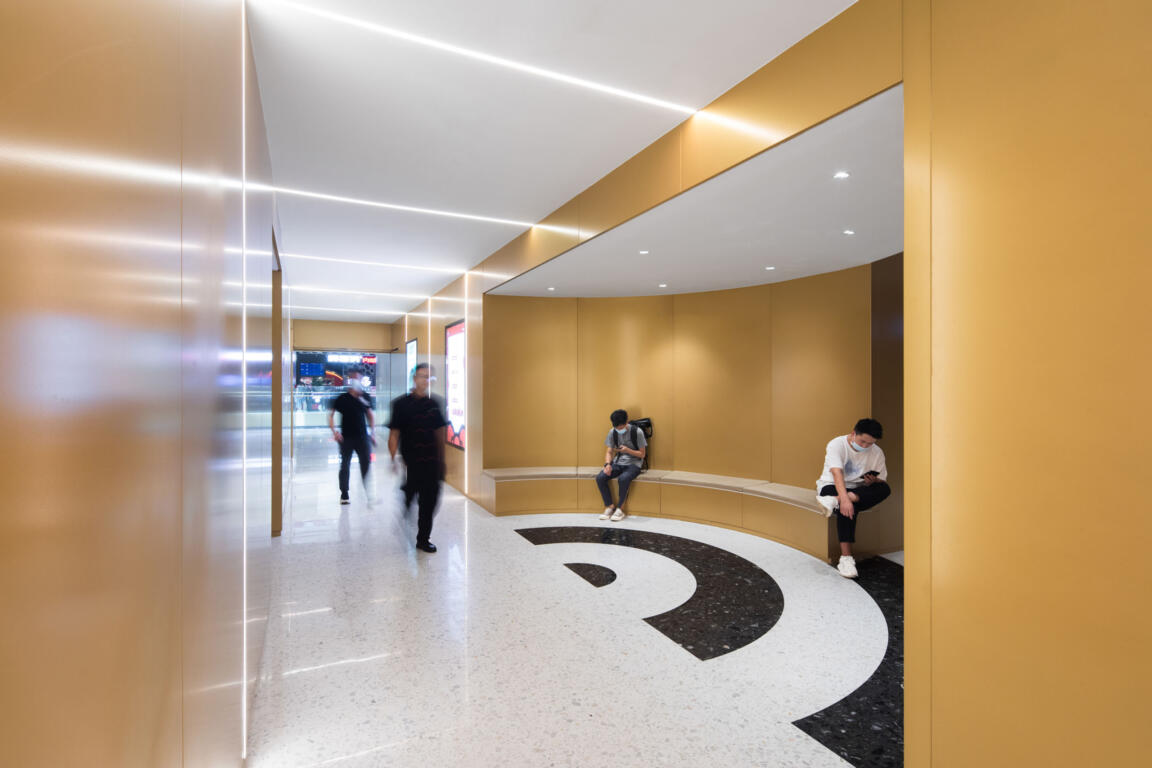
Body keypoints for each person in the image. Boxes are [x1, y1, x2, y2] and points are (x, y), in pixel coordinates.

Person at [816, 418, 891, 578]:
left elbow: (882, 480)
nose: (865, 446)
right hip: (831, 486)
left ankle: (834, 501)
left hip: (858, 489)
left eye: (870, 444)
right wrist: (844, 499)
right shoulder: (837, 444)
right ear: (853, 433)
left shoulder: (877, 452)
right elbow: (836, 473)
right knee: (849, 506)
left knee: (884, 489)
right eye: (862, 441)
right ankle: (846, 558)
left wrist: (873, 481)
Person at [387, 363, 447, 553]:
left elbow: (440, 432)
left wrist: (442, 459)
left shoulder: (434, 403)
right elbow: (394, 434)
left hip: (432, 461)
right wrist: (393, 458)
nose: (425, 380)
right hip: (412, 461)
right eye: (422, 376)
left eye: (429, 377)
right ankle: (406, 499)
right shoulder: (400, 404)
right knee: (412, 491)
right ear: (414, 379)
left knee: (430, 502)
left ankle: (423, 539)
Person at [328, 376, 376, 505]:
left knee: (365, 464)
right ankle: (344, 493)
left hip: (362, 438)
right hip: (346, 439)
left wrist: (372, 433)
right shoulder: (342, 398)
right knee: (345, 465)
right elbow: (331, 415)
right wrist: (334, 432)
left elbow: (370, 415)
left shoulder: (364, 397)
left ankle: (369, 492)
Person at [595, 409, 647, 522]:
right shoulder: (612, 432)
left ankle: (620, 509)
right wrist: (607, 464)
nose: (619, 430)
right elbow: (609, 452)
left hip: (634, 464)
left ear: (626, 422)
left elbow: (642, 454)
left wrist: (628, 450)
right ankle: (609, 506)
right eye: (617, 428)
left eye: (621, 428)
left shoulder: (637, 432)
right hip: (618, 462)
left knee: (623, 479)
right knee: (600, 477)